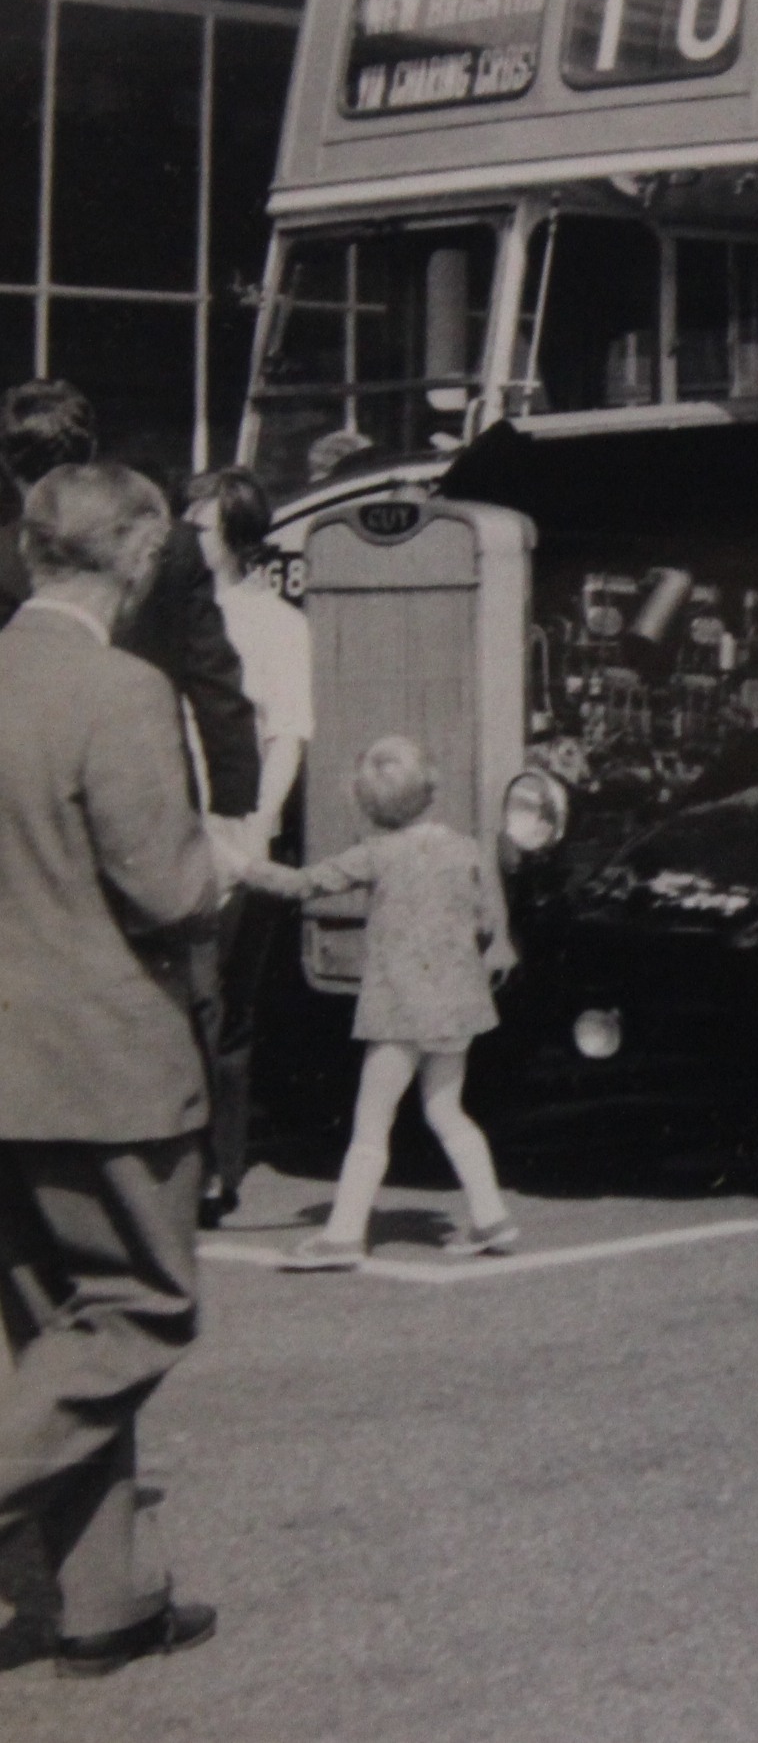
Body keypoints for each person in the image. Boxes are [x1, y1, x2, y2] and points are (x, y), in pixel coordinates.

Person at [0, 462, 221, 1677]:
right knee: (140, 1308)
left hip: (6, 1062)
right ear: (134, 553)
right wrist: (223, 861)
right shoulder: (120, 689)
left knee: (57, 1326)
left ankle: (102, 1605)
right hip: (105, 1063)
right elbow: (169, 888)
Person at [239, 736, 520, 1268]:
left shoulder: (375, 854)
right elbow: (485, 924)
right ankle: (491, 1216)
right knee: (447, 1109)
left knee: (372, 1123)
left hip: (398, 1008)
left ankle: (343, 1234)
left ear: (366, 805)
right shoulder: (464, 849)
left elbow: (301, 885)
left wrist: (244, 866)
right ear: (432, 789)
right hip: (456, 1006)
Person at [0, 381, 259, 825]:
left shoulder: (6, 556)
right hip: (152, 796)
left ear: (6, 463)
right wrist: (233, 811)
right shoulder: (172, 545)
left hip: (33, 814)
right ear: (93, 447)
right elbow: (215, 683)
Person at [182, 468, 314, 1226]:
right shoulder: (168, 615)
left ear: (236, 537)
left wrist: (259, 826)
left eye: (199, 528)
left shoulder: (275, 625)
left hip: (242, 833)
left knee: (225, 1006)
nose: (186, 541)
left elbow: (287, 733)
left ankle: (214, 1172)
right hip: (174, 827)